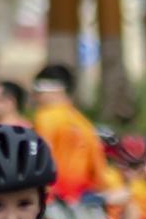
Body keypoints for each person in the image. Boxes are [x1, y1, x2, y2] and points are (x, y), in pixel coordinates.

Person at [32, 64, 122, 205]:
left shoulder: (45, 117)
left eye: (38, 91)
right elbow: (98, 169)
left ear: (55, 90)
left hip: (55, 201)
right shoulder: (84, 123)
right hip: (83, 202)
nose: (35, 97)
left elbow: (41, 157)